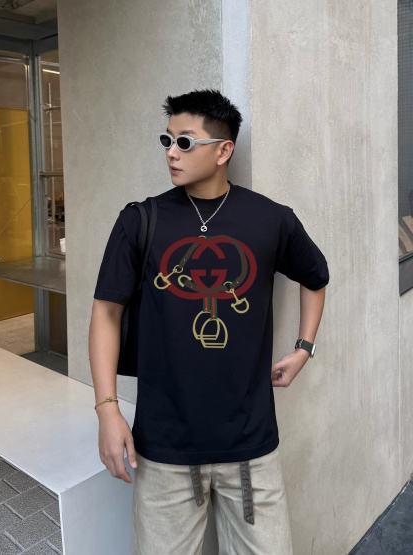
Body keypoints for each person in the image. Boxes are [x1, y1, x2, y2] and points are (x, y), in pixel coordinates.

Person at [89, 89, 329, 554]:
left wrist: (304, 348)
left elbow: (316, 277)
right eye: (167, 139)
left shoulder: (271, 219)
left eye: (185, 142)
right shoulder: (141, 220)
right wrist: (107, 410)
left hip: (252, 448)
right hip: (164, 448)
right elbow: (106, 312)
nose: (171, 152)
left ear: (223, 151)